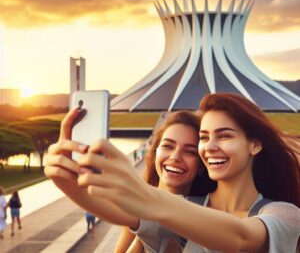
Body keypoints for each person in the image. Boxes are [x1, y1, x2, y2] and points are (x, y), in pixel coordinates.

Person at [69, 93, 300, 252]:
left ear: (255, 145)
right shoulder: (184, 208)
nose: (210, 147)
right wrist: (69, 174)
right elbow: (118, 211)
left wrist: (140, 190)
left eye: (225, 136)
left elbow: (239, 237)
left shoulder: (283, 214)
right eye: (204, 137)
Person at [45, 110, 208, 252]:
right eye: (168, 146)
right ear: (155, 152)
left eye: (190, 152)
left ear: (201, 165)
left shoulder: (204, 210)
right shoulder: (135, 218)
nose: (175, 157)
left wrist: (73, 188)